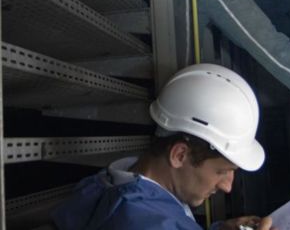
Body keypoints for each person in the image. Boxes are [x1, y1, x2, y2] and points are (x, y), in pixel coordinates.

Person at [51, 64, 276, 230]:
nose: (228, 186)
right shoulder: (138, 220)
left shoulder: (106, 184)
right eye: (222, 171)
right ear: (179, 154)